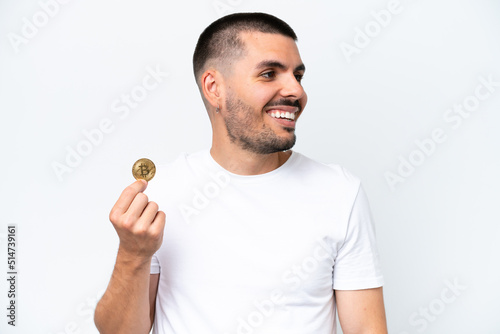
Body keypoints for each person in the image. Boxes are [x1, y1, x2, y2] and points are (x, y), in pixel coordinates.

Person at [94, 12, 387, 334]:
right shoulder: (161, 194)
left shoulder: (340, 192)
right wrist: (133, 254)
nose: (295, 91)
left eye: (298, 76)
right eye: (269, 73)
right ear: (214, 87)